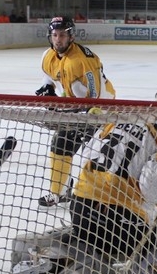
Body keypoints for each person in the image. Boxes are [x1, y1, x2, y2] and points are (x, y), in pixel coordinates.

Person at [10, 83, 157, 274]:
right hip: (125, 225)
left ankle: (58, 255)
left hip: (81, 211)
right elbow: (156, 192)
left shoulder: (121, 117)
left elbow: (86, 156)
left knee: (85, 236)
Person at [35, 16, 116, 207]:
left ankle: (101, 197)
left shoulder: (83, 60)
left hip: (101, 109)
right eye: (55, 35)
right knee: (61, 144)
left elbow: (95, 95)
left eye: (62, 35)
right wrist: (47, 89)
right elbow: (48, 77)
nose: (58, 39)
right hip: (76, 108)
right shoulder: (48, 56)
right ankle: (58, 193)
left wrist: (87, 114)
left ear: (71, 36)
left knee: (98, 154)